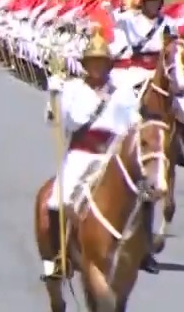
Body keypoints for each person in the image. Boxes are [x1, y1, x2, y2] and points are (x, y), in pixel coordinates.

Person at [44, 30, 139, 278]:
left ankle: (142, 248)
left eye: (102, 62)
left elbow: (134, 124)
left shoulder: (122, 92)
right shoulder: (73, 89)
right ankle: (57, 257)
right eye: (93, 62)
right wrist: (54, 95)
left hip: (110, 156)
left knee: (141, 194)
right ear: (86, 65)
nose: (98, 67)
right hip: (81, 153)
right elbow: (60, 122)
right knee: (56, 200)